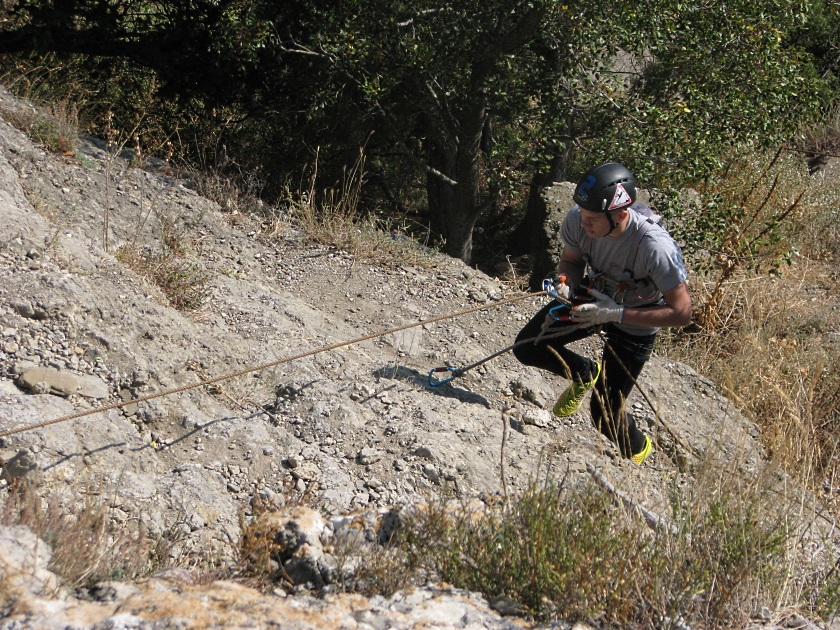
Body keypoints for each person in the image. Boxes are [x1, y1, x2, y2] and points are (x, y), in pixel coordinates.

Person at [513, 162, 692, 465]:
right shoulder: (579, 219)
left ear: (621, 214)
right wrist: (565, 283)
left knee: (605, 415)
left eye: (593, 219)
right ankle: (584, 372)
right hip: (592, 297)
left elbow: (682, 313)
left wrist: (617, 313)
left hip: (636, 320)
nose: (584, 224)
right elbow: (571, 261)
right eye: (582, 214)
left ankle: (638, 453)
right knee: (528, 346)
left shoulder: (654, 247)